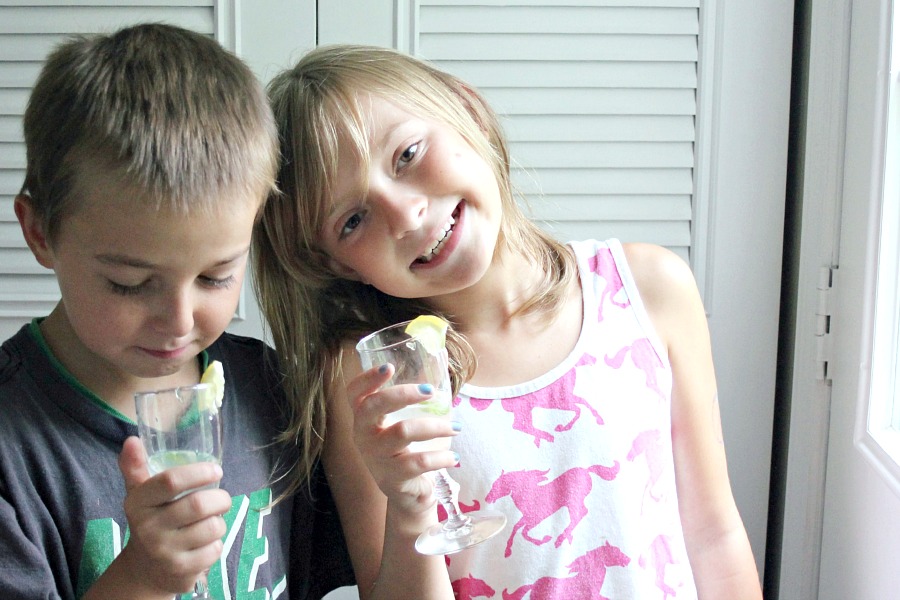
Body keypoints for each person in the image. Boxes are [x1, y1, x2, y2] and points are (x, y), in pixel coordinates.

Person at [253, 44, 763, 599]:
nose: (405, 215)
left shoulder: (650, 287)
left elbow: (713, 535)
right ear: (335, 264)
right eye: (353, 220)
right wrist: (408, 509)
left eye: (407, 155)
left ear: (467, 109)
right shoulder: (369, 380)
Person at [0, 24, 354, 599]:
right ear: (39, 232)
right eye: (129, 283)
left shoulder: (269, 389)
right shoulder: (15, 449)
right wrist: (142, 579)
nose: (179, 321)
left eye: (217, 276)